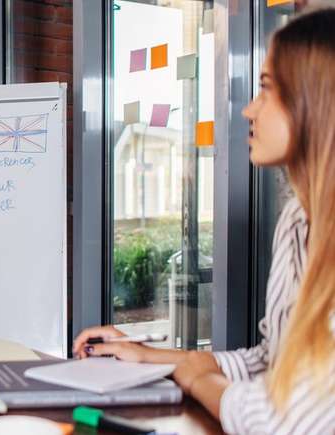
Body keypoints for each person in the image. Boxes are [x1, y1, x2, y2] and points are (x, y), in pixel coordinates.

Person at [74, 8, 335, 435]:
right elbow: (271, 362)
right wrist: (147, 356)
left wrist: (198, 378)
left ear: (316, 99)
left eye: (267, 89)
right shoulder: (297, 221)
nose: (249, 110)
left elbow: (275, 421)